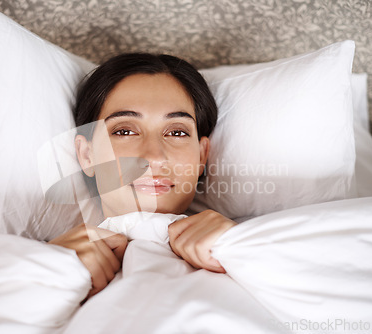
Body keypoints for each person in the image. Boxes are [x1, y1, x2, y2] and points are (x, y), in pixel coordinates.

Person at [49, 53, 236, 297]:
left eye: (177, 133)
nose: (154, 157)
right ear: (87, 155)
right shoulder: (19, 264)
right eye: (125, 131)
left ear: (202, 156)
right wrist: (45, 271)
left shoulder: (264, 246)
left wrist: (245, 248)